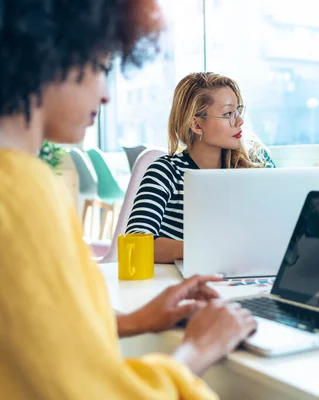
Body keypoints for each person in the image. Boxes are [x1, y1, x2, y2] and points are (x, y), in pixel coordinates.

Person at [0, 1, 256, 398]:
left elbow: (31, 333)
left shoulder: (20, 185)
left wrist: (130, 321)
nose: (105, 96)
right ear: (52, 58)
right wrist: (199, 349)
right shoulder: (22, 194)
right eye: (102, 68)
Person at [126, 72, 275, 263]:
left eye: (237, 112)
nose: (239, 121)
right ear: (196, 124)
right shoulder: (165, 172)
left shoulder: (246, 171)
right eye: (228, 114)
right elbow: (136, 244)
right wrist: (207, 249)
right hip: (180, 283)